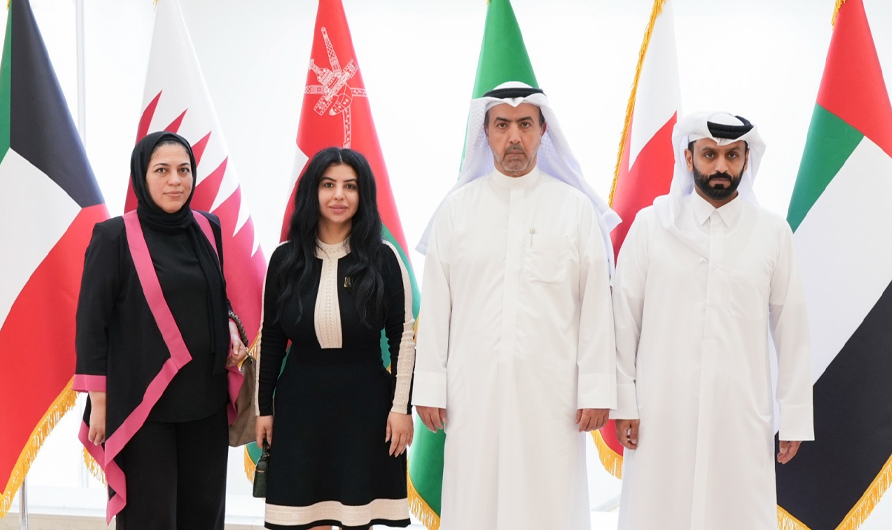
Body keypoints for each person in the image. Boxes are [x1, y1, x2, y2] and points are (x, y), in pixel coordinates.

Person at [412, 82, 620, 530]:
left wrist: (596, 389)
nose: (514, 137)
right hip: (473, 393)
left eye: (525, 124)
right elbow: (438, 306)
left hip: (552, 396)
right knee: (475, 500)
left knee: (548, 502)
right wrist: (429, 386)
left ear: (543, 130)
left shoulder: (574, 209)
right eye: (502, 125)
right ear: (485, 132)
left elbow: (596, 308)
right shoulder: (456, 211)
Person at [611, 111, 814, 529]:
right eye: (709, 155)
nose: (721, 166)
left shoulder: (772, 234)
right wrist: (624, 401)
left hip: (739, 414)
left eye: (732, 155)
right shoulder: (652, 226)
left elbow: (792, 328)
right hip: (662, 411)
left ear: (746, 160)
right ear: (688, 159)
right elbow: (623, 319)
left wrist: (794, 414)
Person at [74, 131, 248, 529]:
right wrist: (100, 404)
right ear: (142, 175)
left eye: (184, 170)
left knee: (204, 515)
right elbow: (92, 323)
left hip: (205, 400)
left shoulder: (208, 227)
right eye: (162, 170)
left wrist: (229, 323)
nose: (175, 180)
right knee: (149, 518)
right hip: (143, 405)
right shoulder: (113, 236)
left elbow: (213, 292)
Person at [255, 147, 415, 530]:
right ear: (313, 191)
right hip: (299, 409)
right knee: (305, 518)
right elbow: (272, 339)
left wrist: (401, 409)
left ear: (363, 195)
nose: (339, 195)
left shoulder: (384, 258)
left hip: (366, 409)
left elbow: (403, 339)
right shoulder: (284, 259)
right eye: (328, 185)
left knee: (356, 517)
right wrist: (263, 409)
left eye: (350, 186)